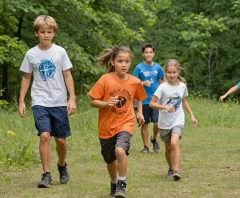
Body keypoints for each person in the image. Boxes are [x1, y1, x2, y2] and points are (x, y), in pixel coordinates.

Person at [18, 15, 76, 188]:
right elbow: (26, 78)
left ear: (54, 33)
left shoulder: (60, 52)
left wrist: (72, 98)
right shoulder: (31, 54)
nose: (46, 35)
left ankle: (62, 165)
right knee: (44, 136)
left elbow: (67, 75)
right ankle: (46, 174)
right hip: (39, 101)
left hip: (58, 101)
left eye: (49, 32)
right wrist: (21, 101)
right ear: (36, 33)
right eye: (42, 32)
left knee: (61, 141)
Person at [88, 45, 147, 197]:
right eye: (120, 61)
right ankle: (114, 183)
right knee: (110, 162)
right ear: (113, 62)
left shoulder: (134, 82)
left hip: (125, 122)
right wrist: (106, 104)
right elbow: (93, 101)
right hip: (106, 127)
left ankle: (122, 183)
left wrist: (140, 113)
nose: (124, 65)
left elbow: (139, 97)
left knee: (120, 150)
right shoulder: (105, 80)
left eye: (127, 61)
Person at [149, 59, 197, 181]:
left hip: (178, 120)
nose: (172, 75)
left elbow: (184, 101)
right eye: (169, 72)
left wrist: (192, 115)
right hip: (164, 122)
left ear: (178, 72)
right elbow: (152, 104)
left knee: (174, 143)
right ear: (165, 73)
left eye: (174, 72)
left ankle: (176, 170)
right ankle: (170, 168)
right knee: (168, 147)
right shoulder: (162, 88)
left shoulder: (182, 86)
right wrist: (164, 106)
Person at [133, 43, 164, 153]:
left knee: (157, 123)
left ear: (154, 53)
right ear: (143, 54)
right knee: (144, 124)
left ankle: (153, 139)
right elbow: (133, 83)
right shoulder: (139, 68)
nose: (148, 54)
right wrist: (142, 83)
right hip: (143, 100)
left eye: (150, 52)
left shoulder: (158, 67)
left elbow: (161, 83)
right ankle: (145, 147)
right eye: (146, 52)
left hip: (155, 100)